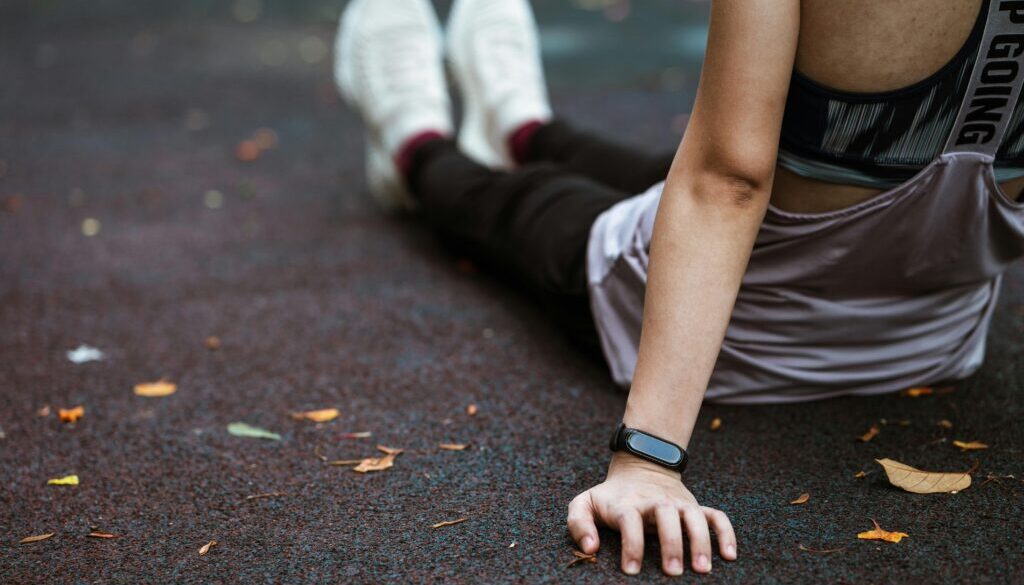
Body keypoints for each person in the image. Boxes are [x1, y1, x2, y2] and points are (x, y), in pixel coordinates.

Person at [334, 0, 1024, 576]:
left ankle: (413, 140)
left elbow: (727, 184)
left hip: (738, 342)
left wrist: (649, 461)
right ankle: (524, 126)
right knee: (729, 168)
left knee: (532, 207)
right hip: (933, 339)